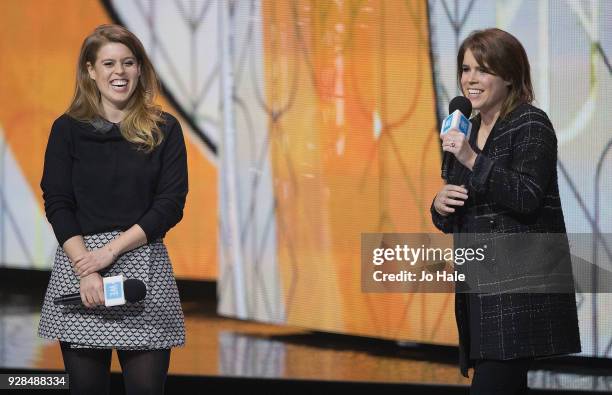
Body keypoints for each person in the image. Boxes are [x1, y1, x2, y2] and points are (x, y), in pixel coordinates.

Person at [38, 24, 187, 395]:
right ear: (91, 70)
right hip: (81, 267)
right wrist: (86, 268)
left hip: (143, 265)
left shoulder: (164, 129)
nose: (119, 72)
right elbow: (57, 201)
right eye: (108, 63)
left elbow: (169, 205)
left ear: (139, 69)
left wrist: (111, 251)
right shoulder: (67, 130)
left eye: (128, 62)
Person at [431, 28, 581, 394]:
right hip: (478, 290)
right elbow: (459, 212)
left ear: (510, 75)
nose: (471, 80)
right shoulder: (465, 129)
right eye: (466, 70)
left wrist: (469, 156)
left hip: (518, 290)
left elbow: (527, 195)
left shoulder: (530, 123)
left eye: (483, 70)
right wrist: (438, 206)